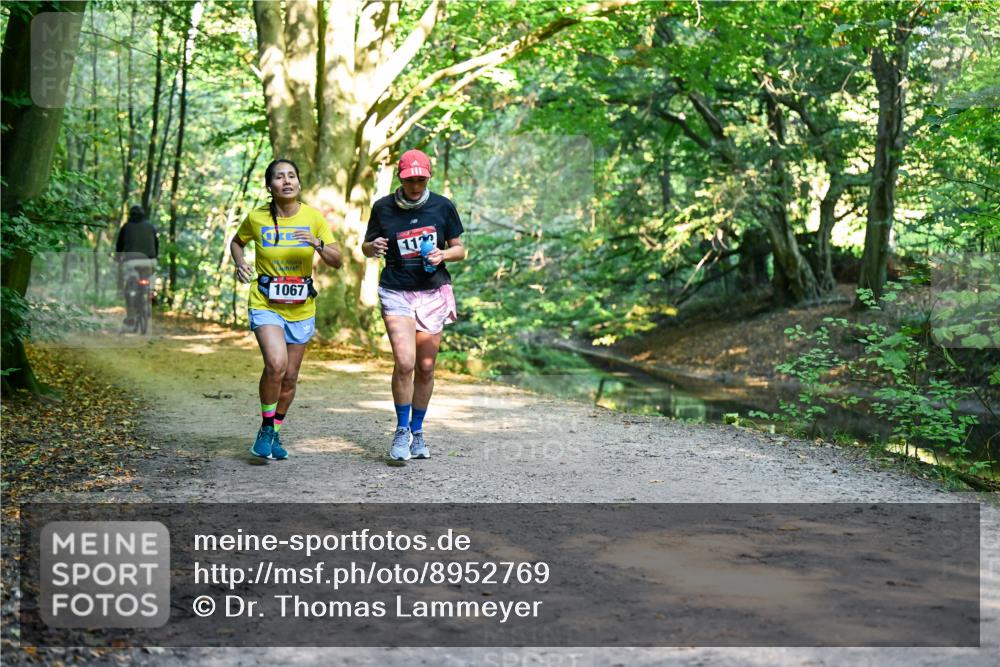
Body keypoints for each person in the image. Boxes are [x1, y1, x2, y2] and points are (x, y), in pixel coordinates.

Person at [231, 159, 342, 461]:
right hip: (266, 302)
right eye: (279, 177)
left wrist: (317, 243)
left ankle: (275, 431)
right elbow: (237, 242)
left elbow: (337, 259)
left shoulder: (313, 217)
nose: (287, 181)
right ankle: (266, 428)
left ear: (299, 183)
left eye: (291, 176)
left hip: (302, 306)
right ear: (270, 186)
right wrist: (240, 263)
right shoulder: (256, 218)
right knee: (276, 364)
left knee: (290, 377)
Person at [361, 149, 467, 461]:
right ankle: (402, 430)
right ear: (401, 178)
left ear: (428, 177)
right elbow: (366, 246)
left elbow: (460, 249)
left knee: (425, 366)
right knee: (405, 362)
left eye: (421, 179)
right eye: (410, 180)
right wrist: (373, 246)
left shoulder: (443, 206)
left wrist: (442, 254)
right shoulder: (383, 208)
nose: (416, 185)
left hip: (433, 292)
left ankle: (418, 431)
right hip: (397, 290)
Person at [115, 205, 159, 325]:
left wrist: (118, 258)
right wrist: (155, 257)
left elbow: (119, 245)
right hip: (150, 260)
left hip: (132, 262)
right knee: (150, 277)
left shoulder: (126, 227)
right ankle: (152, 292)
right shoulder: (150, 226)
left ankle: (131, 316)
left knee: (130, 286)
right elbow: (156, 243)